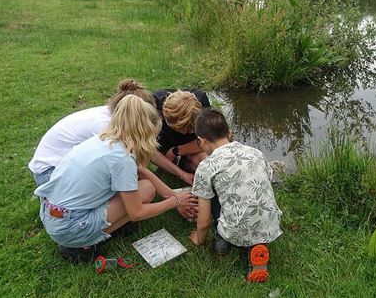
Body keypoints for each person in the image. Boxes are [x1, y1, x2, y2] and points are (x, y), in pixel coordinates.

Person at [35, 95, 198, 263]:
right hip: (69, 228)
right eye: (154, 136)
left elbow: (141, 170)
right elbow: (136, 213)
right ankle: (82, 245)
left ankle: (101, 230)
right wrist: (174, 202)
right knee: (146, 190)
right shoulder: (122, 159)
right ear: (145, 133)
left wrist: (173, 195)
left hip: (52, 215)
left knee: (142, 186)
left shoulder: (104, 139)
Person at [189, 108, 282, 283]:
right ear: (229, 133)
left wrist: (199, 240)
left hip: (235, 231)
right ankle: (257, 249)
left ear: (200, 141)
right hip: (270, 224)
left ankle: (221, 241)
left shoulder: (206, 166)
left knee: (212, 193)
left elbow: (203, 222)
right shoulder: (255, 152)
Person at [28, 79, 155, 187]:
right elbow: (128, 162)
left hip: (61, 168)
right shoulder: (105, 127)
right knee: (125, 183)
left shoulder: (114, 117)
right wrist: (170, 195)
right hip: (49, 173)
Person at [151, 89, 210, 185]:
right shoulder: (152, 107)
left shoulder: (201, 100)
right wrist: (182, 174)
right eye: (185, 128)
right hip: (162, 146)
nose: (186, 133)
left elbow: (212, 139)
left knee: (205, 162)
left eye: (192, 128)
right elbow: (147, 150)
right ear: (169, 121)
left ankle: (183, 162)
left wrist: (176, 151)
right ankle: (170, 167)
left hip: (190, 146)